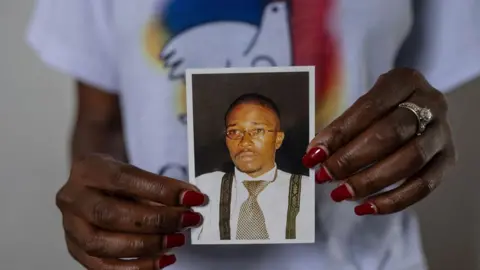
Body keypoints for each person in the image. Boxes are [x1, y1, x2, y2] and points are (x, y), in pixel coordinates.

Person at [26, 0, 479, 269]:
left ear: (278, 139)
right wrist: (101, 211)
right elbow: (101, 123)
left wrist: (422, 119)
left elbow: (420, 99)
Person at [192, 93, 313, 243]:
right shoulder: (202, 188)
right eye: (234, 132)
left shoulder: (308, 191)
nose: (244, 143)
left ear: (278, 139)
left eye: (257, 131)